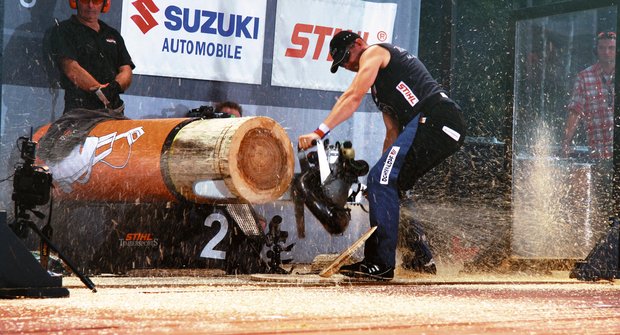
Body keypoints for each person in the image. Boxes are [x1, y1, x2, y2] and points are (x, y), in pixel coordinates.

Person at [298, 31, 466, 281]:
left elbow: (352, 96)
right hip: (436, 125)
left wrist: (318, 132)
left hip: (436, 118)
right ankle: (421, 259)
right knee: (389, 184)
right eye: (341, 64)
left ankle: (380, 264)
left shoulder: (374, 52)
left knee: (383, 180)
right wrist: (380, 182)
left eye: (346, 57)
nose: (348, 65)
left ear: (358, 44)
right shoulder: (380, 91)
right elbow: (392, 132)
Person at [50, 0, 134, 114]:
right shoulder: (63, 30)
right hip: (79, 111)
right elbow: (71, 68)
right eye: (85, 0)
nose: (90, 5)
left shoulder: (112, 34)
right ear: (75, 2)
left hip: (113, 110)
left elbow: (126, 70)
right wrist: (100, 91)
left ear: (105, 4)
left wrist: (115, 87)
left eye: (96, 1)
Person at [562, 32, 616, 160]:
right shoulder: (584, 77)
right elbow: (575, 112)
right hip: (598, 153)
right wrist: (566, 142)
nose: (606, 52)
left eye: (611, 48)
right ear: (596, 50)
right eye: (602, 48)